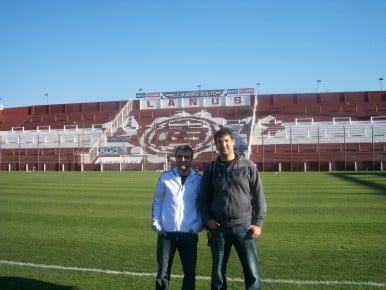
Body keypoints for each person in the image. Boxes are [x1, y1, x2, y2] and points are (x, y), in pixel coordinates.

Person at [198, 127, 267, 290]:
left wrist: (258, 223)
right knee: (218, 274)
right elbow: (202, 198)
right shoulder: (211, 169)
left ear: (233, 142)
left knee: (252, 272)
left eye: (226, 141)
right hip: (219, 229)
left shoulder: (248, 166)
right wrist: (207, 219)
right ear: (215, 145)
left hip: (244, 227)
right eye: (220, 142)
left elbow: (259, 197)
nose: (223, 145)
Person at [152, 145, 203, 290]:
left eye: (186, 157)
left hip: (189, 233)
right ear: (175, 158)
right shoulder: (165, 177)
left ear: (191, 159)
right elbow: (158, 201)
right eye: (180, 156)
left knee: (189, 273)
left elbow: (202, 205)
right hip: (166, 234)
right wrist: (157, 223)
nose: (183, 160)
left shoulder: (198, 179)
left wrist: (197, 226)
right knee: (163, 273)